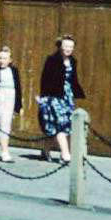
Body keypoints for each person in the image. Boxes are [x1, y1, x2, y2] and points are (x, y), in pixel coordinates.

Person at [38, 35, 86, 163]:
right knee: (60, 124)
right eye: (65, 46)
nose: (68, 49)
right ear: (60, 46)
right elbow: (45, 79)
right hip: (54, 96)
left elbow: (73, 79)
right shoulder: (52, 60)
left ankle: (45, 149)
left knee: (66, 125)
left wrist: (77, 92)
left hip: (67, 97)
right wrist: (44, 98)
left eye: (71, 47)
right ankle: (65, 154)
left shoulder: (73, 61)